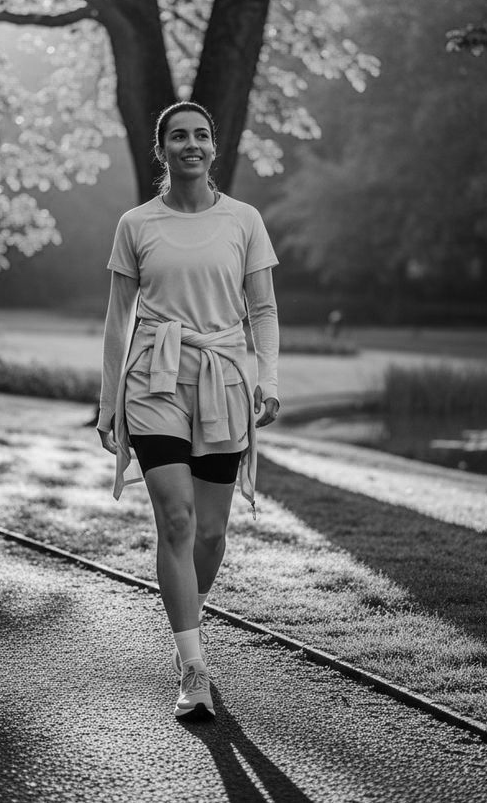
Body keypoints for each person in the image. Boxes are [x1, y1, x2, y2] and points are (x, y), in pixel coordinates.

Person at [97, 101, 280, 721]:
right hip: (155, 378)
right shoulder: (136, 223)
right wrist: (107, 403)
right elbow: (119, 318)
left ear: (213, 147)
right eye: (179, 136)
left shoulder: (244, 220)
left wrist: (268, 379)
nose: (192, 145)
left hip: (223, 377)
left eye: (202, 134)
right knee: (175, 522)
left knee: (209, 531)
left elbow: (263, 311)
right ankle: (192, 666)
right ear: (163, 149)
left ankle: (187, 613)